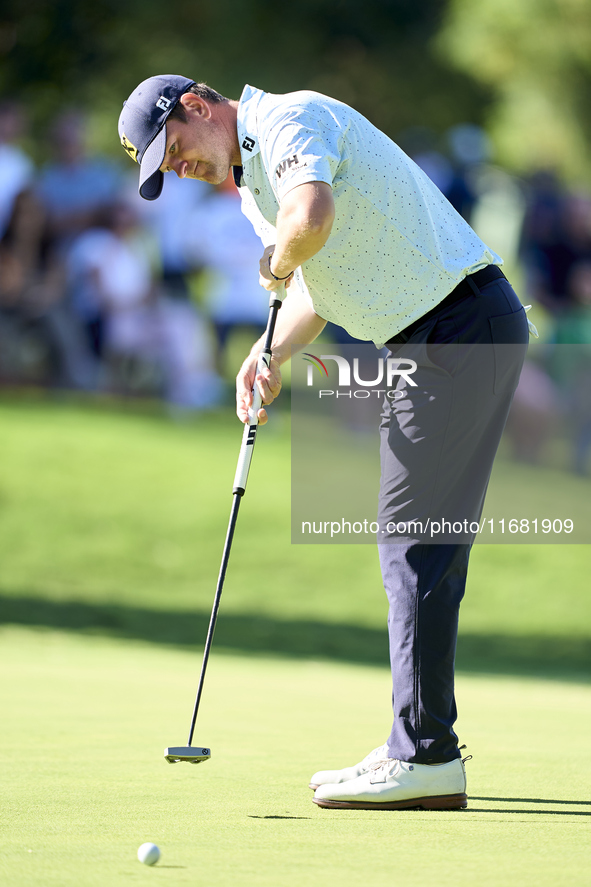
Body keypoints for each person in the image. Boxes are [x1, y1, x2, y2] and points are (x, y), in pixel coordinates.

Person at [118, 75, 530, 810]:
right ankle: (420, 740)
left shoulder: (289, 121)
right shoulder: (252, 181)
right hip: (440, 334)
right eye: (164, 167)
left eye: (174, 149)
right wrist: (268, 350)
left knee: (413, 541)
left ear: (197, 105)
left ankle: (426, 754)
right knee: (418, 542)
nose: (178, 167)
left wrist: (273, 262)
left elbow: (308, 220)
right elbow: (311, 277)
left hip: (455, 329)